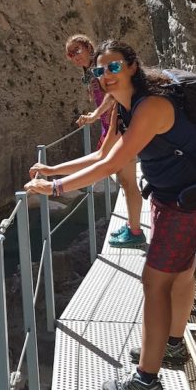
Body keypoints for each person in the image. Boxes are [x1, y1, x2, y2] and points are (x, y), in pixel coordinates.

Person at [25, 40, 196, 390]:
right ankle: (173, 346)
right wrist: (54, 168)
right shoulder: (125, 106)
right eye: (100, 71)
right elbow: (103, 153)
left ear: (133, 66)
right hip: (173, 196)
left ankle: (147, 382)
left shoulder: (151, 107)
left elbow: (110, 166)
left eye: (114, 67)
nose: (106, 76)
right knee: (180, 272)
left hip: (191, 202)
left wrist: (55, 189)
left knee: (154, 282)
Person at [64, 33, 145, 248]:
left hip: (117, 126)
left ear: (88, 47)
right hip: (111, 126)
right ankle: (133, 225)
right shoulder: (91, 71)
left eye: (77, 50)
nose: (74, 56)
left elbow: (112, 95)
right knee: (125, 181)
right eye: (70, 54)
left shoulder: (100, 68)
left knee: (126, 181)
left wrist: (93, 116)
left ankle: (135, 230)